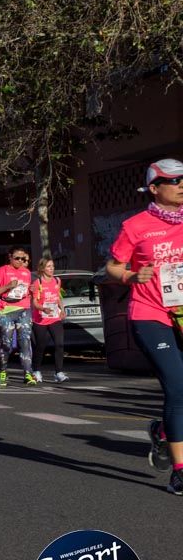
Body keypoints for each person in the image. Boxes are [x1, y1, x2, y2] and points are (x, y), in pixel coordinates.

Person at [107, 158, 183, 488]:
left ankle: (162, 432)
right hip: (150, 313)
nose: (181, 185)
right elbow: (111, 267)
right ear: (154, 188)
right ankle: (180, 471)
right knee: (177, 387)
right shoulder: (135, 226)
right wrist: (132, 275)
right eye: (174, 180)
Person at [0, 245, 36, 386]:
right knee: (7, 343)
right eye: (17, 258)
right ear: (10, 257)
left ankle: (28, 373)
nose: (20, 261)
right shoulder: (0, 271)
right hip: (5, 310)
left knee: (25, 341)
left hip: (23, 309)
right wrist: (8, 286)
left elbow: (26, 291)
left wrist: (31, 290)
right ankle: (2, 370)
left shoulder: (26, 273)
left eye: (23, 258)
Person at [30, 256, 67, 384]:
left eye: (53, 266)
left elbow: (57, 297)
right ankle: (36, 370)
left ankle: (58, 372)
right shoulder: (38, 283)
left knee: (59, 344)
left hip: (54, 317)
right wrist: (43, 308)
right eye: (49, 267)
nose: (52, 269)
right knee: (41, 346)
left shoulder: (57, 280)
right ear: (42, 268)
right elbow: (34, 302)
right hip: (40, 319)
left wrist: (62, 310)